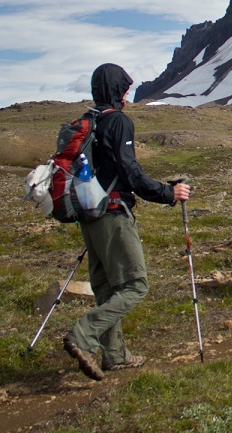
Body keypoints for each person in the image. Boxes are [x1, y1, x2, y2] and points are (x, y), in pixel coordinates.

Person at [63, 63, 191, 382]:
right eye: (124, 89)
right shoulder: (118, 121)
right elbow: (129, 171)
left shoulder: (87, 121)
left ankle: (115, 356)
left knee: (106, 286)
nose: (127, 96)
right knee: (135, 285)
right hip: (113, 212)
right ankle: (83, 335)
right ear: (116, 90)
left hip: (88, 215)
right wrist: (168, 193)